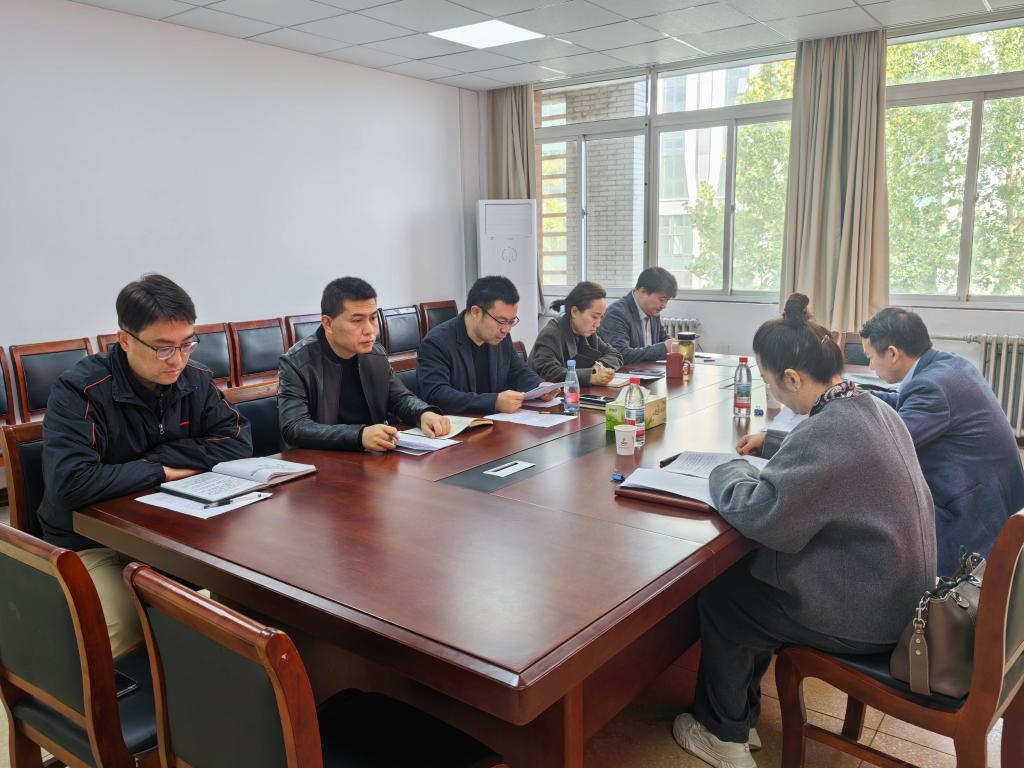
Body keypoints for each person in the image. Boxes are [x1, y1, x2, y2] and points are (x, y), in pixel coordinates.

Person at [673, 294, 936, 768]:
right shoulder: (870, 406)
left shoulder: (829, 432)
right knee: (752, 583)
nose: (773, 393)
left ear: (792, 378)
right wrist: (772, 443)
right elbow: (822, 458)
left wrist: (726, 468)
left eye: (770, 383)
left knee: (725, 599)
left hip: (870, 615)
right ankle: (741, 717)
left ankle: (723, 735)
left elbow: (762, 515)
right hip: (899, 594)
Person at [40, 274, 253, 656]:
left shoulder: (194, 379)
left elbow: (238, 442)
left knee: (243, 601)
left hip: (173, 532)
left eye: (186, 344)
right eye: (163, 348)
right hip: (91, 541)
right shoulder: (79, 390)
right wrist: (161, 471)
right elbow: (71, 483)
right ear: (124, 339)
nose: (178, 360)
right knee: (120, 626)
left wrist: (157, 458)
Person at [859, 307, 1024, 575]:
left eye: (870, 357)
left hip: (973, 511)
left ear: (892, 353)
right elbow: (905, 402)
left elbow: (887, 444)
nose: (870, 367)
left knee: (876, 493)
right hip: (997, 491)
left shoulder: (932, 388)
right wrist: (861, 396)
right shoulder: (948, 365)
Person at [278, 277, 449, 451]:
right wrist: (359, 435)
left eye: (373, 318)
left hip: (370, 457)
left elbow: (399, 398)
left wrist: (423, 413)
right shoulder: (296, 362)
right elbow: (295, 427)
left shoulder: (375, 354)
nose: (369, 330)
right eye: (357, 321)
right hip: (318, 459)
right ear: (328, 324)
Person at [417, 276, 558, 414]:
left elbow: (518, 371)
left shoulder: (500, 338)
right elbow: (437, 394)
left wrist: (539, 386)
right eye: (501, 321)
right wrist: (493, 402)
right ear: (476, 312)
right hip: (456, 425)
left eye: (511, 322)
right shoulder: (436, 342)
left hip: (495, 423)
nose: (506, 330)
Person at [528, 281, 623, 386]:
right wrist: (589, 377)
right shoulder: (551, 334)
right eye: (594, 317)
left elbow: (615, 354)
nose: (598, 324)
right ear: (574, 312)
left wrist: (599, 366)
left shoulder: (588, 334)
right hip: (546, 395)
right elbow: (548, 372)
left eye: (601, 317)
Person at [597, 266, 679, 363]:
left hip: (648, 370)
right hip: (623, 372)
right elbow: (620, 354)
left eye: (667, 301)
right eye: (662, 300)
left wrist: (677, 345)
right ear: (643, 291)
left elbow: (663, 340)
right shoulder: (617, 313)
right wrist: (663, 348)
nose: (664, 306)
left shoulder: (652, 311)